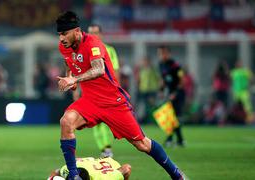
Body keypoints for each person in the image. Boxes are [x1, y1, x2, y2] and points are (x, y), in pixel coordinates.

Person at [56, 11, 186, 180]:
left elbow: (98, 69)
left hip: (113, 102)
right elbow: (69, 62)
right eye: (59, 34)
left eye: (64, 33)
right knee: (66, 122)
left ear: (76, 31)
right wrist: (70, 78)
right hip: (90, 100)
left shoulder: (93, 44)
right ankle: (74, 176)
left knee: (142, 144)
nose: (61, 38)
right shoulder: (64, 47)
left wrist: (74, 78)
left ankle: (177, 175)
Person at [87, 24, 121, 157]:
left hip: (107, 90)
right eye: (91, 33)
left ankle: (107, 148)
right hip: (91, 91)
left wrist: (117, 88)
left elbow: (116, 70)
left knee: (106, 121)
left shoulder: (109, 50)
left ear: (101, 34)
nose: (93, 35)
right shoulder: (85, 50)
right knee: (94, 122)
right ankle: (105, 149)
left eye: (96, 32)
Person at [157, 46, 185, 147]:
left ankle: (171, 139)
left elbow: (182, 80)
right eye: (159, 53)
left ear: (168, 53)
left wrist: (175, 93)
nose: (161, 55)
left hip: (178, 93)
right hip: (169, 93)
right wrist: (161, 90)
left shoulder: (175, 65)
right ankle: (180, 140)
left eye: (163, 53)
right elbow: (163, 79)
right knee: (170, 117)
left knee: (173, 117)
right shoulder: (161, 65)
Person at [48, 157, 131, 180]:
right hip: (85, 163)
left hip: (106, 162)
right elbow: (56, 172)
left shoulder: (105, 178)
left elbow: (127, 168)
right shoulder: (67, 170)